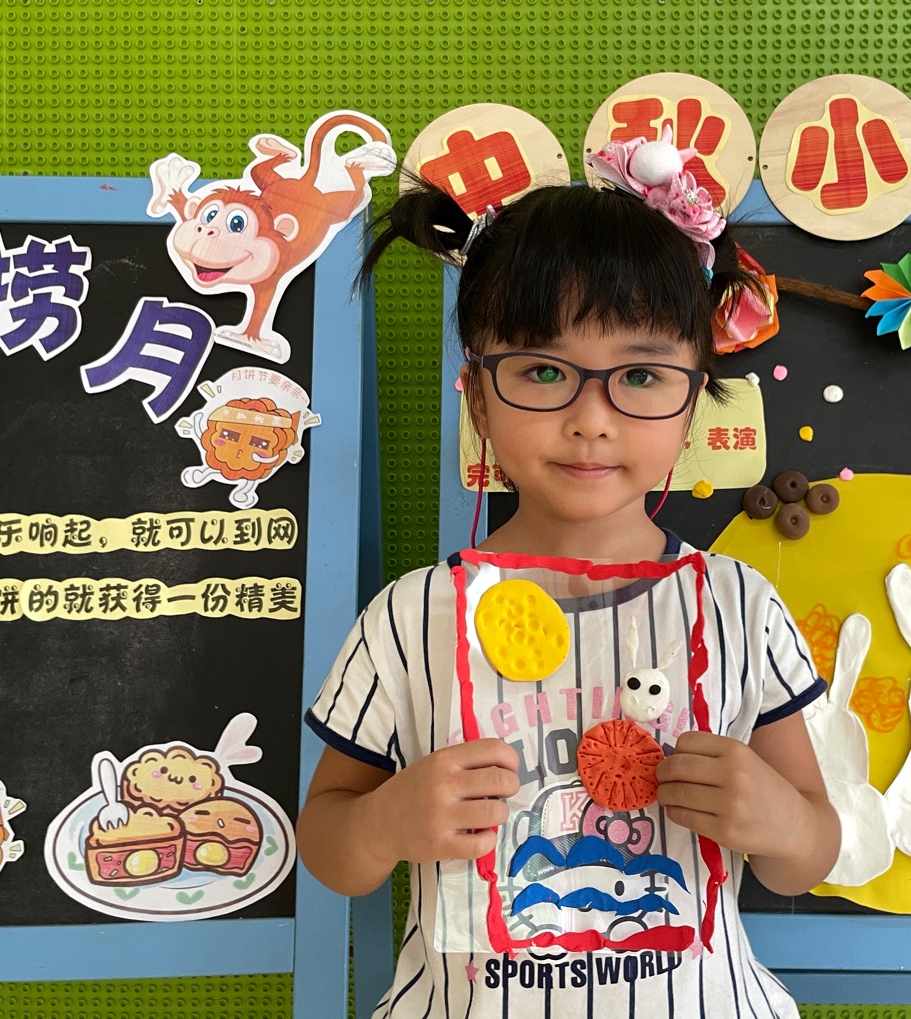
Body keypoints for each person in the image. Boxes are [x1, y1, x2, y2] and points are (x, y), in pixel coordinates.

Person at [297, 130, 840, 1017]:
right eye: (545, 370)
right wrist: (384, 822)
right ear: (478, 395)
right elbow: (327, 845)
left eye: (641, 375)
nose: (592, 419)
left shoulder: (738, 605)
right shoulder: (411, 616)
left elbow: (809, 853)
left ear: (692, 399)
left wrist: (779, 820)